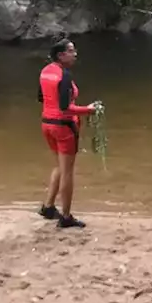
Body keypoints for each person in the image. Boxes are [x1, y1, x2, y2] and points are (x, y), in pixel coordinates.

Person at [36, 38, 98, 229]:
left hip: (47, 124)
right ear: (61, 55)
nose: (75, 54)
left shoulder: (45, 72)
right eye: (71, 51)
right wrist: (89, 110)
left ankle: (48, 207)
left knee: (59, 166)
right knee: (68, 172)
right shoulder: (65, 76)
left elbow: (41, 98)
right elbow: (65, 108)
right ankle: (66, 216)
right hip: (63, 127)